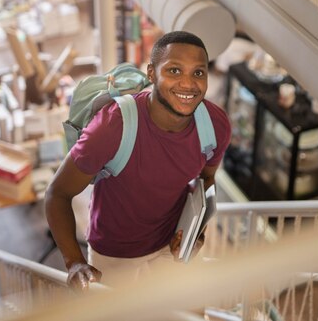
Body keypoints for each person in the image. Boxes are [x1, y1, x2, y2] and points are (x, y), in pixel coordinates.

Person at [45, 31, 231, 288]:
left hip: (171, 245)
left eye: (198, 73)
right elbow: (57, 194)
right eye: (174, 71)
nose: (188, 84)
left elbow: (206, 180)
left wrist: (195, 233)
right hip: (113, 254)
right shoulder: (112, 126)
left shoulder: (215, 126)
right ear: (152, 74)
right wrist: (74, 263)